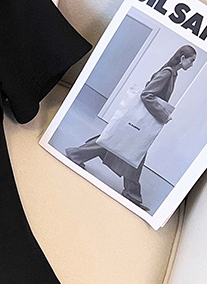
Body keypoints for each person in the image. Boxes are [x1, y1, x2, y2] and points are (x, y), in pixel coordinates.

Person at [65, 44, 197, 211]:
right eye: (191, 60)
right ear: (183, 58)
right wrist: (163, 115)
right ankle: (131, 194)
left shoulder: (171, 73)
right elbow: (146, 94)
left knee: (119, 145)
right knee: (130, 150)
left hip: (139, 123)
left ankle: (77, 155)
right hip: (140, 122)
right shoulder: (167, 73)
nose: (192, 64)